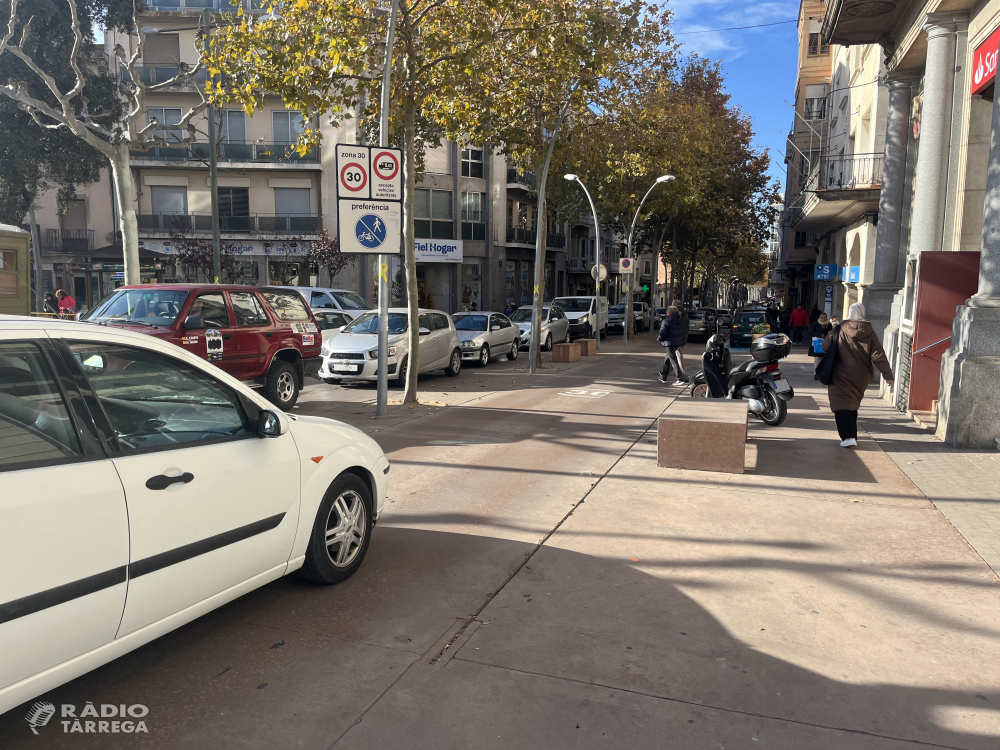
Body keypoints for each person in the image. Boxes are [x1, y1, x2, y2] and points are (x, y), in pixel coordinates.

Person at [822, 303, 894, 448]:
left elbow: (825, 347)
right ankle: (851, 435)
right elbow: (878, 355)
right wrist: (888, 375)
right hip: (861, 375)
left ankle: (848, 437)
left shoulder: (839, 328)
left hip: (839, 372)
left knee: (841, 403)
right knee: (852, 402)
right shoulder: (869, 331)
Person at [657, 305, 688, 385]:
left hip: (669, 343)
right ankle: (663, 376)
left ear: (669, 312)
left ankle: (679, 379)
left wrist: (659, 338)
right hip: (677, 342)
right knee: (667, 359)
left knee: (673, 360)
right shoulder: (680, 320)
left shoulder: (666, 321)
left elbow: (662, 332)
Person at [808, 312, 833, 376]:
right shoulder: (815, 324)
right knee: (817, 359)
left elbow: (832, 333)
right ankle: (816, 373)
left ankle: (822, 373)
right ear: (819, 318)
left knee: (825, 359)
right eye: (822, 317)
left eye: (825, 317)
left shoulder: (829, 325)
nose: (823, 319)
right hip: (817, 344)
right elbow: (811, 333)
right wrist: (819, 335)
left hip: (826, 344)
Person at [671, 299, 690, 372]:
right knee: (671, 357)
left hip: (676, 339)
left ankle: (683, 377)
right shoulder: (685, 314)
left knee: (678, 357)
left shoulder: (676, 314)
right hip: (682, 338)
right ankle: (664, 373)